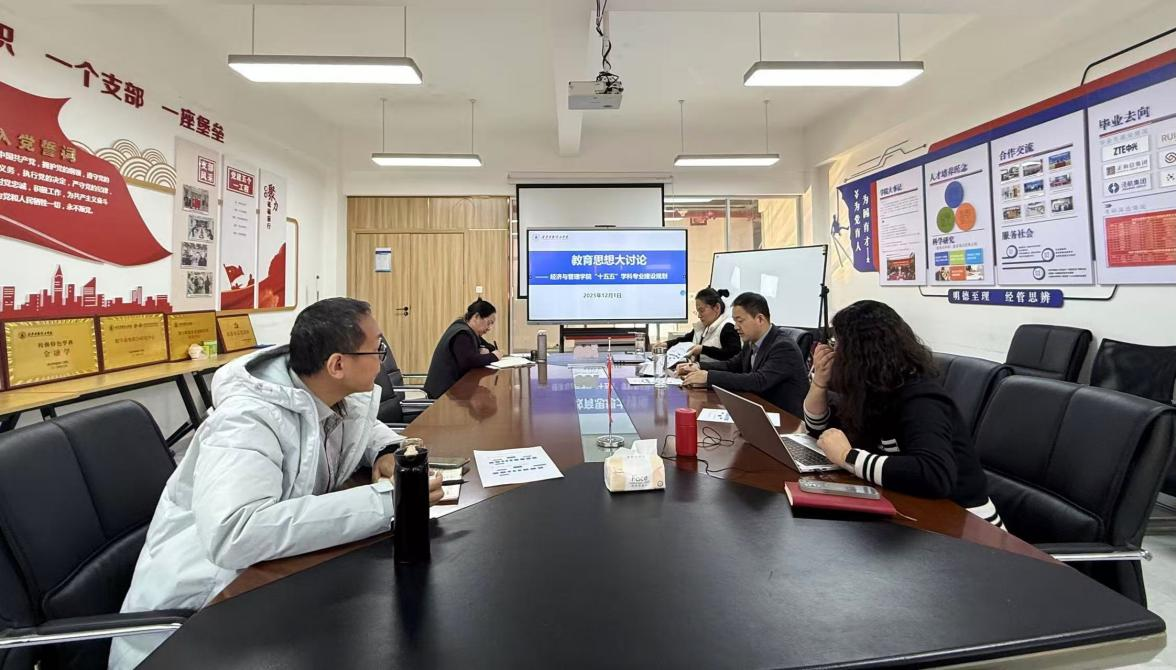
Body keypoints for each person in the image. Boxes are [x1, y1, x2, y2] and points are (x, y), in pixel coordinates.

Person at [109, 298, 444, 670]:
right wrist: (390, 502)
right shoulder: (245, 420)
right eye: (376, 349)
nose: (382, 360)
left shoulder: (327, 394)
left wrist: (386, 450)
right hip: (193, 620)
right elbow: (235, 532)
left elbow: (363, 429)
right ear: (337, 365)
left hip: (266, 587)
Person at [803, 300, 1002, 527]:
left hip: (965, 522)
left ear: (859, 353)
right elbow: (821, 432)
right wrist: (819, 383)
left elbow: (934, 474)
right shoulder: (870, 390)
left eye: (837, 344)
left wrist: (848, 457)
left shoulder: (921, 398)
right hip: (909, 508)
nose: (833, 352)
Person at [676, 292, 808, 417]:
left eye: (740, 321)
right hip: (758, 411)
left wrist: (708, 377)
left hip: (785, 419)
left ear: (760, 319)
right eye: (735, 321)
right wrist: (699, 367)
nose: (736, 327)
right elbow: (731, 365)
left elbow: (758, 381)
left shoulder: (783, 347)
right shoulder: (751, 342)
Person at [424, 298, 502, 399]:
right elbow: (469, 361)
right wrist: (493, 356)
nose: (489, 328)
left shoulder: (466, 328)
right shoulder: (462, 334)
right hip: (443, 394)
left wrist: (487, 352)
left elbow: (488, 347)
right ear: (476, 317)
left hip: (452, 390)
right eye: (489, 323)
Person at [661, 287, 740, 363]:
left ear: (717, 307)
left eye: (701, 311)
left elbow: (733, 355)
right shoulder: (704, 326)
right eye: (698, 311)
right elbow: (686, 339)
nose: (699, 316)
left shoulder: (728, 327)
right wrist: (666, 344)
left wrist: (703, 349)